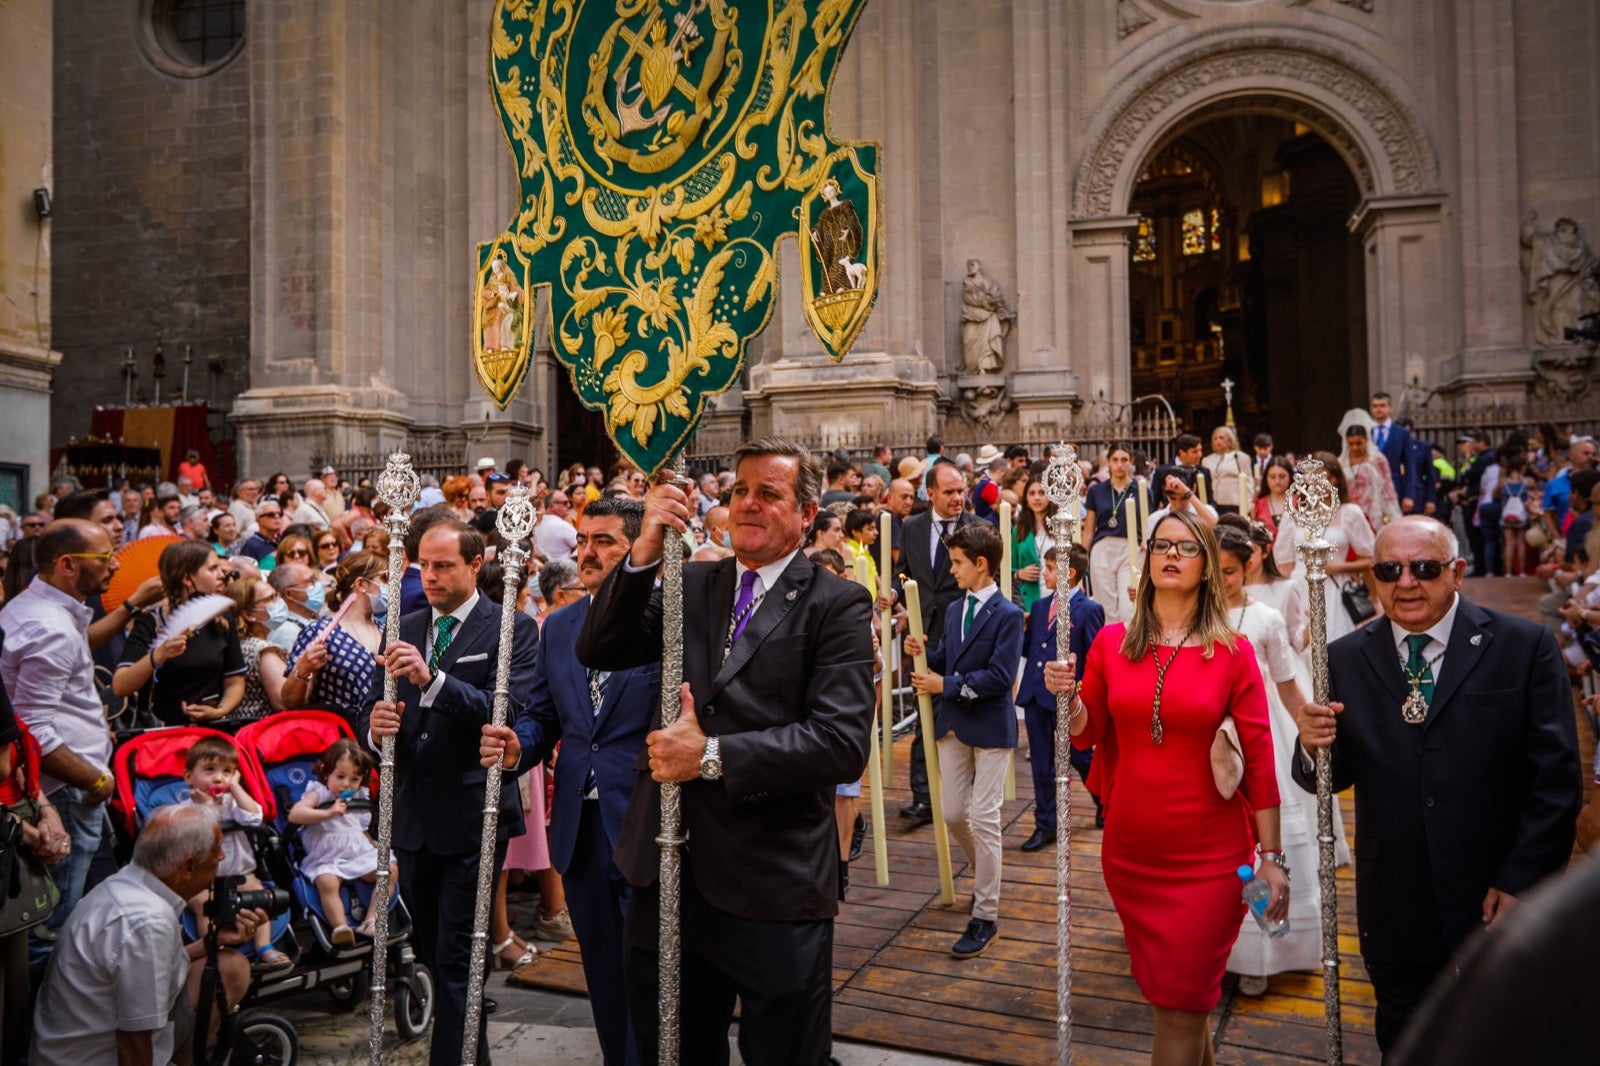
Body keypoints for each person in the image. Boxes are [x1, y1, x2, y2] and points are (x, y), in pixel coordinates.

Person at [574, 437, 874, 1066]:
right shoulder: (691, 583)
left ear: (806, 513)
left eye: (769, 493)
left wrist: (710, 756)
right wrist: (645, 550)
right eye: (739, 490)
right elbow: (599, 647)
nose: (748, 504)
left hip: (773, 878)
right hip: (669, 868)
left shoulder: (836, 604)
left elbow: (840, 743)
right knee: (673, 1050)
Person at [1294, 516, 1580, 1058]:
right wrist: (1312, 744)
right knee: (1406, 1044)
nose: (1406, 582)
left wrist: (1523, 880)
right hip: (1396, 900)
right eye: (1388, 569)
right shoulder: (1343, 658)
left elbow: (1557, 782)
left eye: (1424, 568)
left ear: (1457, 572)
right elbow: (1332, 773)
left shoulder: (1524, 646)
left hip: (1497, 896)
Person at [1044, 509, 1287, 1066]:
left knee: (1180, 1006)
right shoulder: (1110, 643)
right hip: (1130, 854)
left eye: (1186, 547)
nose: (1171, 555)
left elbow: (1260, 760)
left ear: (1207, 568)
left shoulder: (1232, 650)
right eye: (1161, 546)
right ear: (1148, 561)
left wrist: (1272, 858)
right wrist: (1070, 697)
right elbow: (1087, 732)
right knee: (1178, 1006)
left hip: (1210, 860)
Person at [479, 497, 657, 1066]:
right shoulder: (559, 627)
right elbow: (543, 715)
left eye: (604, 541)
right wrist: (518, 746)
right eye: (583, 540)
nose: (587, 553)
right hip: (580, 832)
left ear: (639, 549)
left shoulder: (667, 617)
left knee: (651, 968)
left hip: (648, 822)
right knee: (603, 970)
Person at [361, 520, 539, 1066]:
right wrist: (374, 727)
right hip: (413, 818)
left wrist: (432, 682)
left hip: (472, 817)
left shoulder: (512, 628)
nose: (430, 576)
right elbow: (374, 715)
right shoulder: (406, 623)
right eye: (423, 565)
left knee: (460, 958)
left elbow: (507, 713)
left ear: (475, 563)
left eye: (443, 565)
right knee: (441, 960)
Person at [29, 803, 266, 1066]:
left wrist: (211, 943)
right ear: (188, 866)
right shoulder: (147, 920)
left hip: (71, 1047)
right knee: (231, 969)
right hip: (99, 1056)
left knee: (231, 966)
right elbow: (133, 1040)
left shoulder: (123, 885)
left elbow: (141, 972)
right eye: (215, 851)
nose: (221, 857)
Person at [1214, 526, 1337, 996]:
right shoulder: (1197, 614)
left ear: (1245, 566)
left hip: (1262, 732)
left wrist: (1310, 728)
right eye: (1214, 571)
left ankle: (1264, 951)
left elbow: (1286, 684)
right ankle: (1223, 947)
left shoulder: (1263, 617)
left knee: (1263, 843)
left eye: (1229, 571)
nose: (1221, 580)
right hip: (1213, 741)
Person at [0, 519, 121, 974]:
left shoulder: (39, 609)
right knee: (52, 933)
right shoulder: (47, 625)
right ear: (68, 565)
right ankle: (38, 1041)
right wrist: (96, 778)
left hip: (69, 789)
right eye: (105, 558)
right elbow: (33, 731)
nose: (113, 567)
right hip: (63, 794)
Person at [903, 523, 1024, 958]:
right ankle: (982, 871)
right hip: (954, 722)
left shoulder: (1008, 615)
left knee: (984, 815)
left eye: (956, 563)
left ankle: (985, 913)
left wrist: (944, 685)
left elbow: (999, 677)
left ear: (981, 565)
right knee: (954, 813)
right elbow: (945, 658)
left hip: (990, 725)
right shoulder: (955, 610)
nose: (950, 571)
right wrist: (923, 649)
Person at [894, 460, 983, 826]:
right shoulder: (912, 527)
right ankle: (924, 797)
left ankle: (969, 796)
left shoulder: (977, 528)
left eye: (961, 490)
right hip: (924, 635)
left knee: (967, 712)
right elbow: (907, 576)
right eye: (949, 492)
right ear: (930, 493)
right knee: (925, 718)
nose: (958, 498)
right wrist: (894, 597)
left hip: (965, 633)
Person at [1014, 545, 1103, 844]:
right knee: (1041, 761)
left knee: (1080, 756)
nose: (1045, 574)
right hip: (1036, 693)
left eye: (1050, 569)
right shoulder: (1040, 607)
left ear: (1070, 573)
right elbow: (1031, 646)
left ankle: (1104, 801)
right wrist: (1017, 628)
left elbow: (1093, 656)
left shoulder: (1089, 609)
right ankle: (1046, 823)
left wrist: (1082, 695)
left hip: (1068, 697)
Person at [178, 736, 287, 971]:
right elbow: (201, 835)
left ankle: (264, 946)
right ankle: (212, 945)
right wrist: (207, 807)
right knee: (202, 903)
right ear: (188, 777)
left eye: (227, 771)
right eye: (209, 770)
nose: (219, 777)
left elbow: (254, 817)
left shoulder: (232, 803)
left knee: (260, 897)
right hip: (203, 880)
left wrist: (236, 786)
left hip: (240, 873)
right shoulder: (187, 809)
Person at [114, 541, 247, 725]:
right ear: (187, 579)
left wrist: (219, 711)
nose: (222, 575)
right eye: (212, 569)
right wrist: (158, 655)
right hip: (160, 734)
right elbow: (120, 686)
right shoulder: (151, 623)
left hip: (209, 731)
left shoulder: (222, 619)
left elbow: (235, 680)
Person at [287, 738, 394, 946]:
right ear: (326, 772)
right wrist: (327, 813)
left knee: (389, 870)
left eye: (354, 779)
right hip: (327, 856)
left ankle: (372, 920)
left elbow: (361, 827)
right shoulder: (320, 792)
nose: (346, 784)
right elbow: (295, 814)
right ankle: (340, 927)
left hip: (356, 853)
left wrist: (372, 843)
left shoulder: (360, 795)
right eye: (340, 777)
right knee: (326, 882)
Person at [1274, 454, 1376, 642]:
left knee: (1334, 645)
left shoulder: (1349, 513)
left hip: (1334, 589)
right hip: (1299, 587)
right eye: (1312, 479)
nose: (1316, 485)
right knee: (1301, 648)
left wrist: (1338, 567)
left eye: (1322, 478)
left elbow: (1371, 558)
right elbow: (1284, 564)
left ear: (1334, 479)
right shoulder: (1293, 513)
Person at [281, 551, 386, 726]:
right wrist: (303, 667)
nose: (392, 585)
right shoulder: (320, 631)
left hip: (378, 740)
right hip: (339, 736)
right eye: (384, 578)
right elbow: (290, 701)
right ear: (361, 584)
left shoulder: (386, 630)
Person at [1080, 443, 1143, 623]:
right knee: (1105, 608)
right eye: (1115, 460)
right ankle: (1109, 649)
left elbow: (1146, 525)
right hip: (1103, 547)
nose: (1119, 464)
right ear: (1108, 462)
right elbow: (1089, 529)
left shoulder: (1141, 490)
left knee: (1128, 608)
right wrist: (1082, 558)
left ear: (1131, 462)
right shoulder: (1096, 491)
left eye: (1124, 460)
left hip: (1130, 548)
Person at [224, 577, 287, 719]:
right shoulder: (263, 650)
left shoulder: (236, 645)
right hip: (265, 732)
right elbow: (284, 701)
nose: (279, 602)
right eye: (270, 599)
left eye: (276, 595)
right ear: (249, 614)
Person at [1339, 411, 1402, 531]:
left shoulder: (1378, 460)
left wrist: (1392, 514)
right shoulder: (1341, 463)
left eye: (1359, 443)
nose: (1355, 447)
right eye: (1351, 444)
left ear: (1366, 440)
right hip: (1350, 513)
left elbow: (1388, 488)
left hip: (1374, 512)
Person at [1010, 475, 1055, 613]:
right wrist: (1019, 573)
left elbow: (1078, 561)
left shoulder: (1063, 525)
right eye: (1032, 493)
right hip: (1029, 597)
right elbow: (1008, 568)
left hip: (1058, 594)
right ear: (1026, 499)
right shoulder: (1018, 530)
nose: (1037, 498)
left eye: (1042, 493)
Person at [1368, 392, 1420, 513]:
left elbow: (1410, 466)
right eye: (1375, 406)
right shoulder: (1366, 431)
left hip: (1395, 488)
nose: (1378, 409)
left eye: (1382, 405)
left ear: (1390, 408)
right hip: (1370, 488)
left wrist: (1409, 495)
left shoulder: (1402, 434)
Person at [1201, 426, 1254, 515]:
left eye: (1221, 438)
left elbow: (1248, 483)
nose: (1218, 441)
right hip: (1213, 504)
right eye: (1215, 438)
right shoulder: (1206, 460)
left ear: (1230, 441)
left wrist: (1247, 507)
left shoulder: (1241, 457)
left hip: (1235, 504)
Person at [1251, 456, 1295, 539]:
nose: (1277, 481)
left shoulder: (1300, 502)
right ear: (1266, 478)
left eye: (1282, 476)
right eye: (1272, 477)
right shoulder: (1258, 504)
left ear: (1290, 477)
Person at [536, 488, 579, 561]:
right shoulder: (561, 525)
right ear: (552, 506)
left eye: (569, 502)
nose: (568, 505)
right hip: (564, 569)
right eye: (565, 503)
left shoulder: (542, 524)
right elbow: (583, 546)